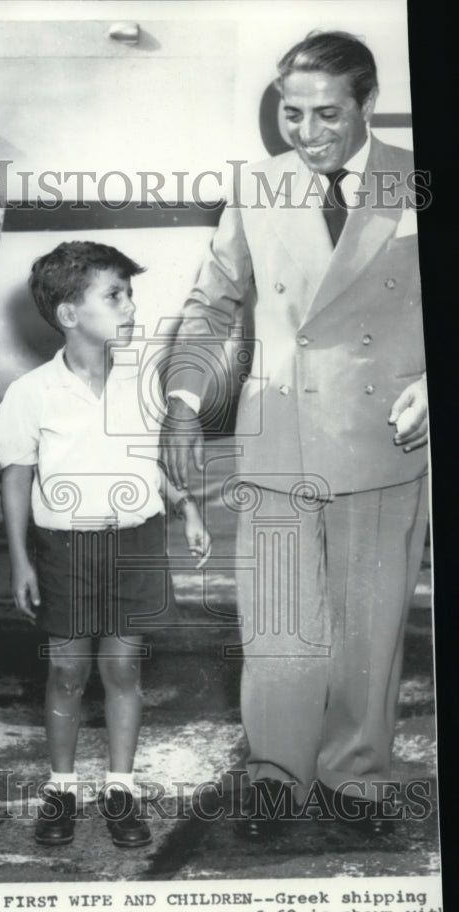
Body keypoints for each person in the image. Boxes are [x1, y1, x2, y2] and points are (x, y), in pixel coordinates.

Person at [161, 31, 429, 835]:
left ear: (367, 103)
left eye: (326, 114)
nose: (306, 133)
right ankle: (276, 778)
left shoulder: (415, 176)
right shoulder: (253, 187)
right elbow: (212, 304)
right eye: (292, 113)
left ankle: (357, 781)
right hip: (276, 432)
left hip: (386, 432)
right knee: (278, 629)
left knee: (368, 629)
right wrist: (181, 399)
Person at [0, 242, 211, 847]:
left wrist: (186, 506)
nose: (129, 305)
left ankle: (121, 788)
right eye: (113, 295)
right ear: (68, 314)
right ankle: (61, 790)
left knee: (122, 669)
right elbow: (16, 479)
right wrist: (19, 561)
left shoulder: (145, 380)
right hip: (65, 549)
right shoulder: (30, 393)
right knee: (66, 671)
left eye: (129, 293)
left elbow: (149, 464)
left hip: (136, 541)